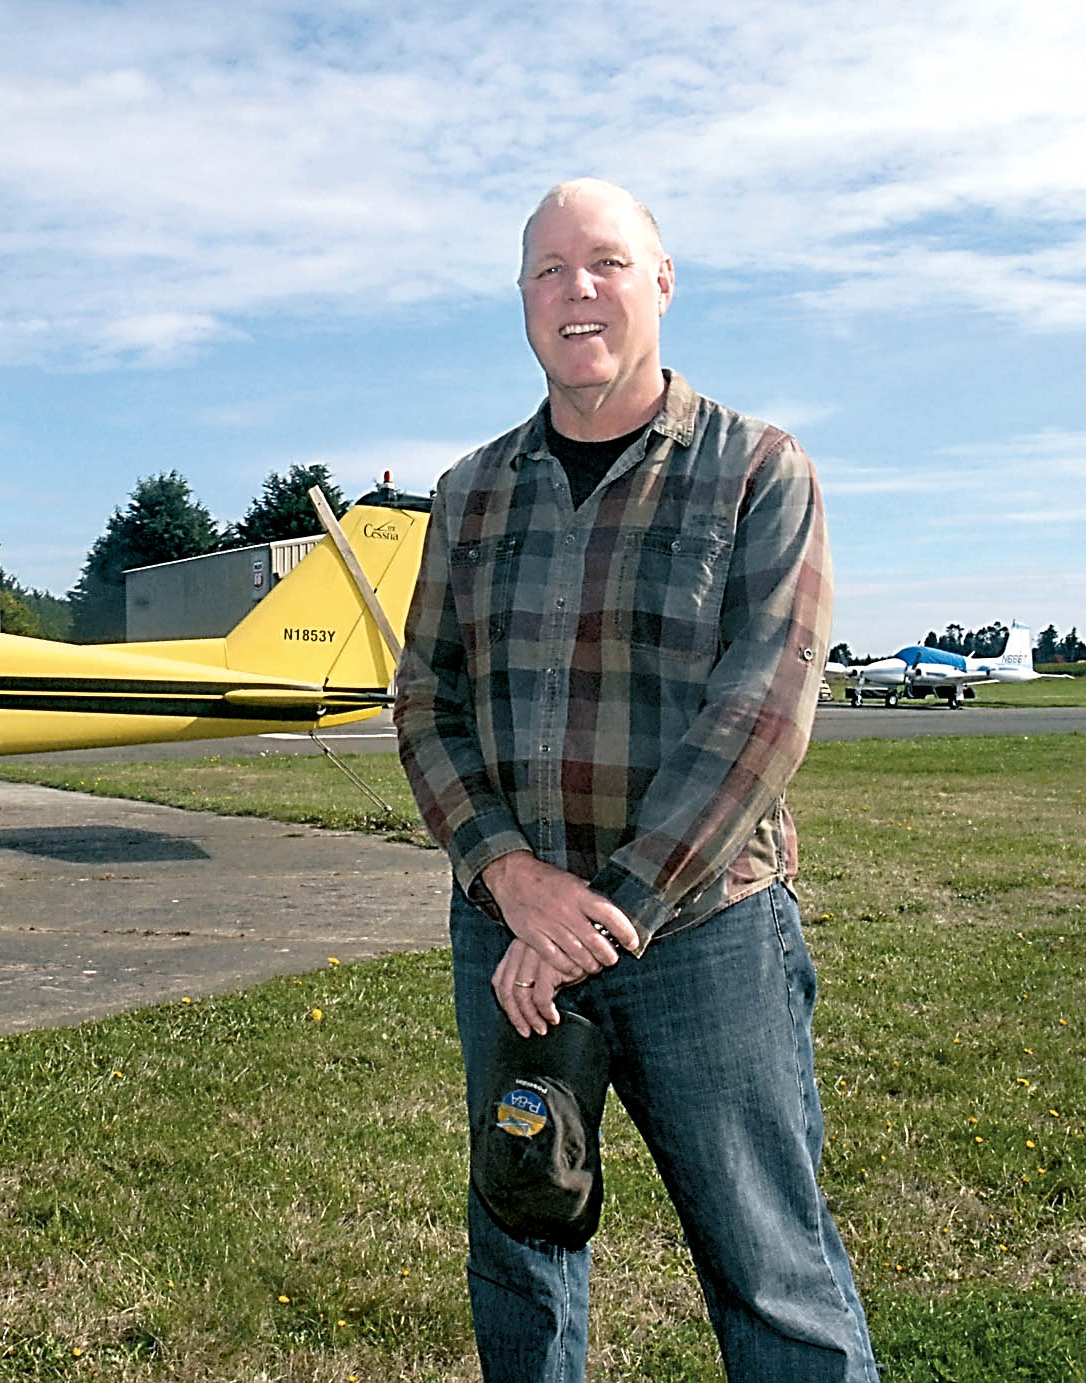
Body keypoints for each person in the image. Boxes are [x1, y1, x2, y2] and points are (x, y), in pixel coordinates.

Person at [394, 178, 877, 1382]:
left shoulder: (757, 469)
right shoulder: (467, 494)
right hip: (507, 937)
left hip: (703, 936)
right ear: (521, 299)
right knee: (521, 1233)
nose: (578, 290)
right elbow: (425, 705)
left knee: (769, 1266)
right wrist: (510, 881)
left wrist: (604, 912)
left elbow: (762, 713)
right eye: (548, 269)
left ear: (661, 283)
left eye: (606, 262)